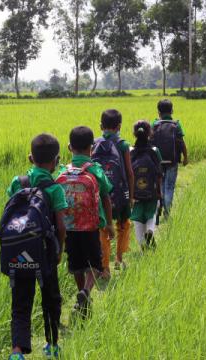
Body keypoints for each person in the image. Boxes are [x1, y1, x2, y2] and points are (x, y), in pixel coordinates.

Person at [6, 134, 67, 360]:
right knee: (51, 298)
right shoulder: (54, 188)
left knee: (20, 302)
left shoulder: (17, 182)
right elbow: (61, 225)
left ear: (30, 158)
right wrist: (59, 250)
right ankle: (51, 346)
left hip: (19, 252)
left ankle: (17, 351)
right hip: (45, 252)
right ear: (56, 160)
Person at [57, 126, 115, 316]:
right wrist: (109, 223)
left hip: (69, 227)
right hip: (91, 227)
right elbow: (106, 197)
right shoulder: (95, 170)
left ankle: (81, 293)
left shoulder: (61, 172)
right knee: (95, 266)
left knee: (76, 266)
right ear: (92, 148)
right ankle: (86, 291)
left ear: (69, 147)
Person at [92, 109, 134, 277]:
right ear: (119, 126)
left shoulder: (94, 144)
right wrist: (131, 196)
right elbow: (130, 172)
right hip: (120, 192)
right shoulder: (123, 144)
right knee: (124, 224)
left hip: (101, 194)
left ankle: (104, 268)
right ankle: (119, 258)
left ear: (101, 126)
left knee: (103, 229)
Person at [130, 121, 163, 251]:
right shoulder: (155, 150)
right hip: (152, 191)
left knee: (138, 219)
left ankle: (143, 245)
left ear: (135, 134)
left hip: (136, 193)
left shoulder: (130, 151)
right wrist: (159, 192)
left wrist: (130, 194)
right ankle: (150, 230)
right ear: (150, 133)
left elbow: (128, 173)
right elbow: (159, 173)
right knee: (151, 214)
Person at [152, 99, 188, 217]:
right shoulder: (176, 124)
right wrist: (185, 157)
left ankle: (159, 206)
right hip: (172, 161)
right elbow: (181, 142)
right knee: (170, 186)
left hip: (158, 162)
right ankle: (167, 212)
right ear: (172, 110)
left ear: (158, 112)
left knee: (160, 185)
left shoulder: (155, 124)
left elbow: (150, 142)